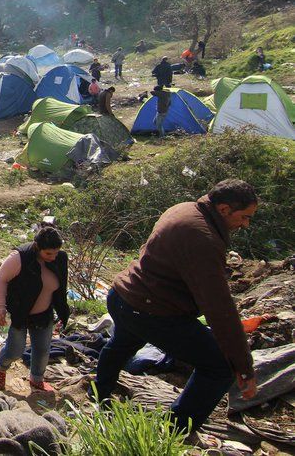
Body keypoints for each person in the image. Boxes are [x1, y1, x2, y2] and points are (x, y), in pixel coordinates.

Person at [92, 180, 259, 433]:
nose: (246, 224)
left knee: (121, 344)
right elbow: (219, 308)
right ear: (224, 209)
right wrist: (243, 366)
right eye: (244, 217)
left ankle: (98, 396)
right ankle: (172, 432)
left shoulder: (184, 209)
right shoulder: (203, 238)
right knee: (219, 367)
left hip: (123, 295)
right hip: (151, 311)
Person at [0, 226, 70, 393]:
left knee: (43, 351)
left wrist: (63, 312)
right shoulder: (20, 258)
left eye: (56, 252)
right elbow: (0, 279)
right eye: (48, 253)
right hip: (21, 311)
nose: (53, 257)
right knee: (15, 351)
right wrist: (0, 308)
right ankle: (1, 366)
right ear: (37, 246)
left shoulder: (60, 259)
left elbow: (61, 287)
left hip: (44, 314)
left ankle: (36, 380)